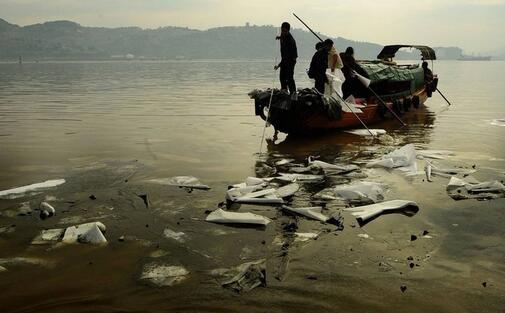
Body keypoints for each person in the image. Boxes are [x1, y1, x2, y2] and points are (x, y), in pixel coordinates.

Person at [274, 22, 298, 97]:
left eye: (285, 31)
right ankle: (284, 90)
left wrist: (279, 65)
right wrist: (279, 37)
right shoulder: (283, 35)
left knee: (289, 77)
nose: (283, 32)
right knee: (282, 76)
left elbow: (287, 56)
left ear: (288, 31)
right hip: (285, 59)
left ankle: (293, 93)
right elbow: (283, 36)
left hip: (291, 59)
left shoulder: (290, 40)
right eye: (282, 30)